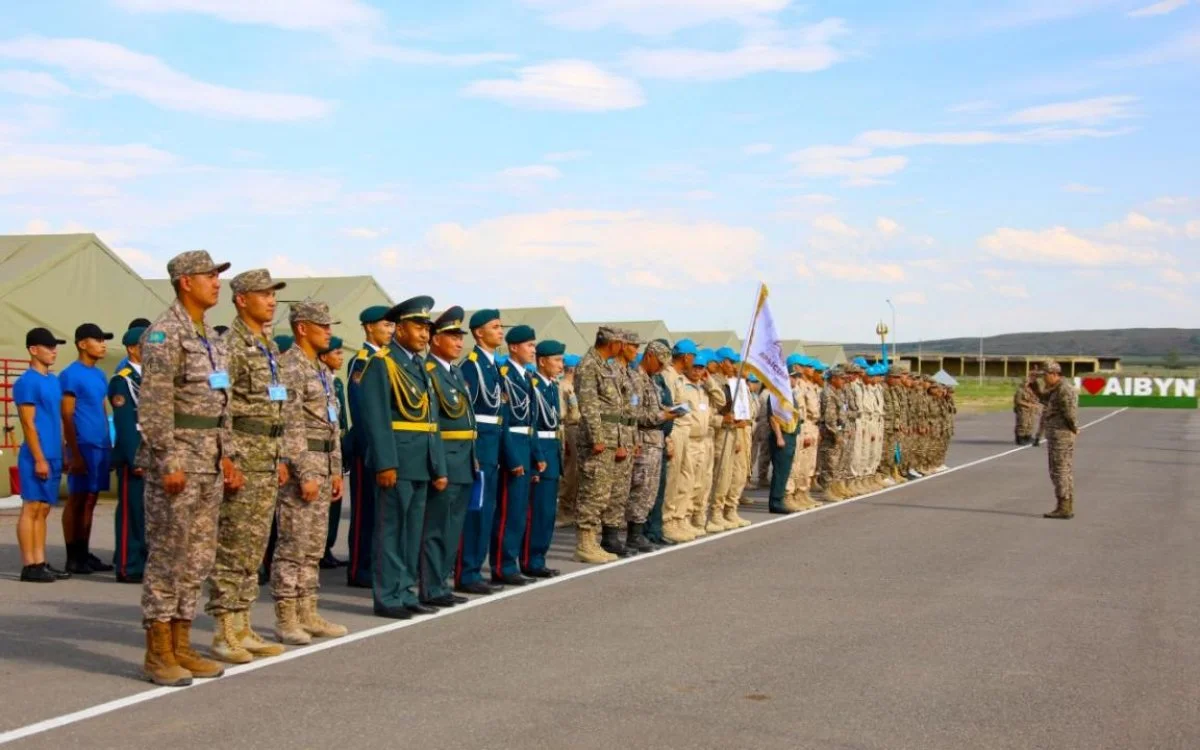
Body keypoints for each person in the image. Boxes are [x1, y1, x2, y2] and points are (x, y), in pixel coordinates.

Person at [138, 250, 242, 688]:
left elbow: (222, 403)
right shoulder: (164, 334)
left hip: (209, 462)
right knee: (168, 556)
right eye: (210, 276)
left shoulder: (210, 338)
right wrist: (168, 459)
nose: (217, 283)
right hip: (180, 461)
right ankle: (158, 652)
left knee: (197, 557)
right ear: (185, 281)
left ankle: (182, 643)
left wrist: (228, 454)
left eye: (218, 277)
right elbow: (155, 404)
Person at [205, 269, 295, 664]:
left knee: (254, 545)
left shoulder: (266, 345)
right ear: (241, 299)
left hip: (265, 455)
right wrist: (226, 458)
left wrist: (278, 457)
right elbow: (219, 406)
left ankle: (243, 624)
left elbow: (275, 406)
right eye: (264, 294)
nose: (271, 301)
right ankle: (224, 630)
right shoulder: (232, 346)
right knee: (233, 546)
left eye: (273, 294)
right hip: (242, 455)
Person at [358, 296, 447, 619]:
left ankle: (406, 590)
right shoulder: (383, 363)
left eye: (427, 328)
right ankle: (387, 595)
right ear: (399, 328)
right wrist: (385, 462)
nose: (425, 334)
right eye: (418, 327)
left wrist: (437, 465)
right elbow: (377, 417)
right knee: (391, 531)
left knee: (412, 533)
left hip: (420, 461)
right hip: (397, 460)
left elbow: (431, 419)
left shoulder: (418, 365)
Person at [271, 300, 348, 643]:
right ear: (302, 328)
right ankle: (287, 617)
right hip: (303, 465)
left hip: (322, 463)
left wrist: (334, 470)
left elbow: (331, 424)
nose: (330, 333)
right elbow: (291, 424)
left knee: (314, 545)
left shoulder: (318, 368)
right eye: (324, 326)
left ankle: (308, 611)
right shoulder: (290, 367)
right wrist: (304, 473)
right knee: (293, 544)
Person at [421, 308, 475, 606]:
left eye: (459, 337)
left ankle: (441, 582)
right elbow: (434, 425)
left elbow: (467, 421)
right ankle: (431, 586)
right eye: (452, 337)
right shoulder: (430, 372)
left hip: (463, 460)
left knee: (453, 528)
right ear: (435, 339)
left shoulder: (454, 372)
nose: (458, 343)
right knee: (437, 528)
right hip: (446, 460)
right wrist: (438, 466)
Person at [456, 308, 506, 595]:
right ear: (478, 332)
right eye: (495, 327)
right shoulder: (471, 366)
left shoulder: (492, 366)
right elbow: (467, 414)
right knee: (475, 511)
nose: (500, 331)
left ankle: (475, 567)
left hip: (493, 444)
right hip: (479, 446)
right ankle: (467, 571)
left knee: (487, 510)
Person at [14, 328, 70, 583]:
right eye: (48, 347)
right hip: (37, 455)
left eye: (54, 346)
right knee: (32, 507)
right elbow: (28, 423)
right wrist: (39, 458)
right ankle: (30, 564)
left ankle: (41, 560)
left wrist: (62, 449)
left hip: (54, 453)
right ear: (33, 350)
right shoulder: (27, 382)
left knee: (44, 509)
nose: (53, 351)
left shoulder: (53, 380)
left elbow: (56, 418)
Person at [59, 322, 115, 575]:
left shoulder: (99, 374)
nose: (103, 344)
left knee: (91, 499)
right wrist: (73, 452)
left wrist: (109, 441)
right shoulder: (71, 374)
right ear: (83, 344)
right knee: (77, 499)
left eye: (104, 340)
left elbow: (102, 408)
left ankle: (84, 551)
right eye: (98, 340)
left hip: (100, 444)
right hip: (82, 445)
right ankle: (73, 555)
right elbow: (67, 415)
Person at [492, 325, 546, 584]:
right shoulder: (505, 375)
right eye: (529, 345)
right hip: (512, 444)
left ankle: (512, 562)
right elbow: (504, 420)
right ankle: (502, 565)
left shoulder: (525, 377)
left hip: (525, 444)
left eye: (534, 345)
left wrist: (536, 456)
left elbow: (532, 420)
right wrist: (512, 457)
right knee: (508, 511)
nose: (533, 350)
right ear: (514, 347)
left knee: (520, 511)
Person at [345, 306, 394, 588]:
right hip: (367, 448)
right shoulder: (362, 361)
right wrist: (371, 447)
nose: (390, 331)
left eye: (391, 326)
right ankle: (359, 568)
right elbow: (362, 410)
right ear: (368, 328)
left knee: (382, 513)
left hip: (385, 447)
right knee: (365, 512)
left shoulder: (386, 360)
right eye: (385, 325)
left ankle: (375, 564)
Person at [573, 326, 629, 564]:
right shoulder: (589, 365)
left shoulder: (606, 366)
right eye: (621, 342)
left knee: (604, 492)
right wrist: (597, 437)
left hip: (610, 438)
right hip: (598, 440)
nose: (623, 347)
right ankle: (585, 544)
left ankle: (593, 541)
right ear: (611, 343)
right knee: (593, 491)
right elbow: (588, 405)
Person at [627, 340, 673, 551]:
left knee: (650, 492)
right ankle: (633, 535)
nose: (662, 368)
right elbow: (634, 413)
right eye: (660, 362)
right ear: (650, 356)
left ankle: (640, 534)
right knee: (640, 489)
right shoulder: (636, 379)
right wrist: (662, 415)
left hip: (655, 442)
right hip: (643, 443)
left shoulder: (653, 380)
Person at [525, 339, 566, 577]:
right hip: (540, 450)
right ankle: (531, 559)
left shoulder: (551, 386)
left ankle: (539, 557)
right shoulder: (534, 386)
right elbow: (532, 425)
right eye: (557, 360)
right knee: (537, 512)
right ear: (542, 361)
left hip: (552, 450)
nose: (561, 365)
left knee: (548, 512)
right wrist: (537, 455)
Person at [110, 326, 148, 583]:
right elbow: (125, 424)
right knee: (131, 513)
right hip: (135, 456)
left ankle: (144, 561)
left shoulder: (154, 377)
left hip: (154, 454)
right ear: (132, 349)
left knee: (148, 514)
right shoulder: (122, 380)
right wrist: (136, 457)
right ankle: (127, 564)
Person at [598, 330, 639, 557]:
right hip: (615, 437)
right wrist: (622, 441)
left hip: (628, 437)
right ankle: (607, 538)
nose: (636, 351)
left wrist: (634, 439)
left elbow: (631, 409)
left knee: (621, 491)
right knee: (608, 490)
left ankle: (613, 536)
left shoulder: (630, 374)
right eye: (632, 346)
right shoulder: (610, 370)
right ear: (622, 346)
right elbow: (614, 412)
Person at [319, 337, 349, 569]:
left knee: (334, 503)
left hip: (335, 446)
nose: (340, 357)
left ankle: (327, 546)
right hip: (318, 449)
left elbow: (341, 416)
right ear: (323, 355)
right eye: (336, 353)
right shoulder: (317, 378)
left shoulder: (335, 382)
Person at [1037, 361, 1079, 520]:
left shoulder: (1064, 389)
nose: (1044, 379)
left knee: (1060, 470)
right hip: (1057, 435)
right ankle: (1065, 504)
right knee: (1059, 470)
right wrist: (1033, 384)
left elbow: (1070, 413)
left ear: (1054, 374)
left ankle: (1064, 506)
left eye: (1045, 375)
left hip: (1061, 435)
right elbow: (1043, 399)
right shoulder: (1056, 389)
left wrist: (1074, 428)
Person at [555, 354, 582, 528]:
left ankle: (573, 510)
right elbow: (561, 413)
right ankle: (564, 512)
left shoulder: (575, 386)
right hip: (568, 429)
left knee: (578, 472)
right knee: (569, 473)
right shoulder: (562, 386)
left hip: (578, 429)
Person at [766, 377, 800, 514]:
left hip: (790, 436)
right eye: (792, 377)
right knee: (780, 471)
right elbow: (773, 418)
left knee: (785, 470)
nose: (795, 380)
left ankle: (779, 499)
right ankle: (775, 502)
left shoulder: (788, 394)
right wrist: (779, 437)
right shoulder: (776, 396)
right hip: (782, 437)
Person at [1013, 372, 1041, 446]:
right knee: (1022, 423)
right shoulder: (1020, 390)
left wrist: (1035, 404)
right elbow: (1018, 401)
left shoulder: (1029, 390)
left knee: (1030, 423)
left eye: (1028, 382)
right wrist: (1027, 404)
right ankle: (1020, 438)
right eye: (1026, 382)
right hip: (1023, 410)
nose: (1027, 383)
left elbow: (1033, 398)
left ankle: (1027, 436)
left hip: (1030, 410)